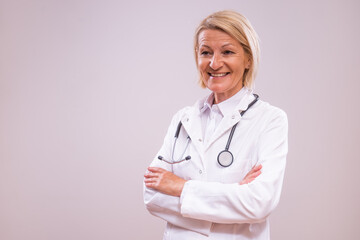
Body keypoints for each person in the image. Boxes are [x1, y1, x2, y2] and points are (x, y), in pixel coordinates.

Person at [143, 10, 288, 240]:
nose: (214, 63)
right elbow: (151, 196)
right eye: (205, 52)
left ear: (248, 58)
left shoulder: (270, 120)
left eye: (228, 52)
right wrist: (233, 194)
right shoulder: (183, 119)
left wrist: (181, 187)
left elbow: (259, 203)